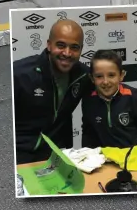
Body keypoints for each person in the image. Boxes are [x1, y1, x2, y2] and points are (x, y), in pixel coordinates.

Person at [12, 19, 90, 163]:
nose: (67, 53)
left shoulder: (84, 74)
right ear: (49, 45)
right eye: (61, 45)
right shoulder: (19, 74)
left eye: (74, 47)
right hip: (19, 156)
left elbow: (110, 85)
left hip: (56, 155)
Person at [81, 50, 137, 149]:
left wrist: (136, 156)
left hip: (133, 160)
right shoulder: (89, 101)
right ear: (92, 78)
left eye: (111, 75)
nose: (105, 81)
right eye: (99, 76)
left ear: (121, 75)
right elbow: (88, 135)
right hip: (105, 161)